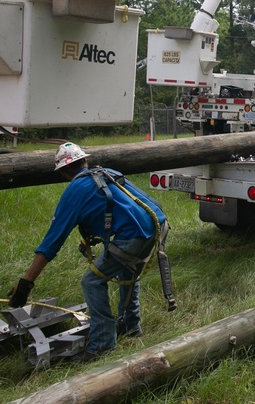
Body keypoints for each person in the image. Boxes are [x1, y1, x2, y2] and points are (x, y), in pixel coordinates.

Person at [9, 142, 169, 361]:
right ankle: (130, 326)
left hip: (135, 235)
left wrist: (25, 283)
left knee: (91, 281)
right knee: (127, 269)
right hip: (157, 225)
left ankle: (103, 344)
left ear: (64, 172)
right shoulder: (108, 173)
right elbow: (123, 207)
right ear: (85, 161)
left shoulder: (75, 190)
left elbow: (51, 243)